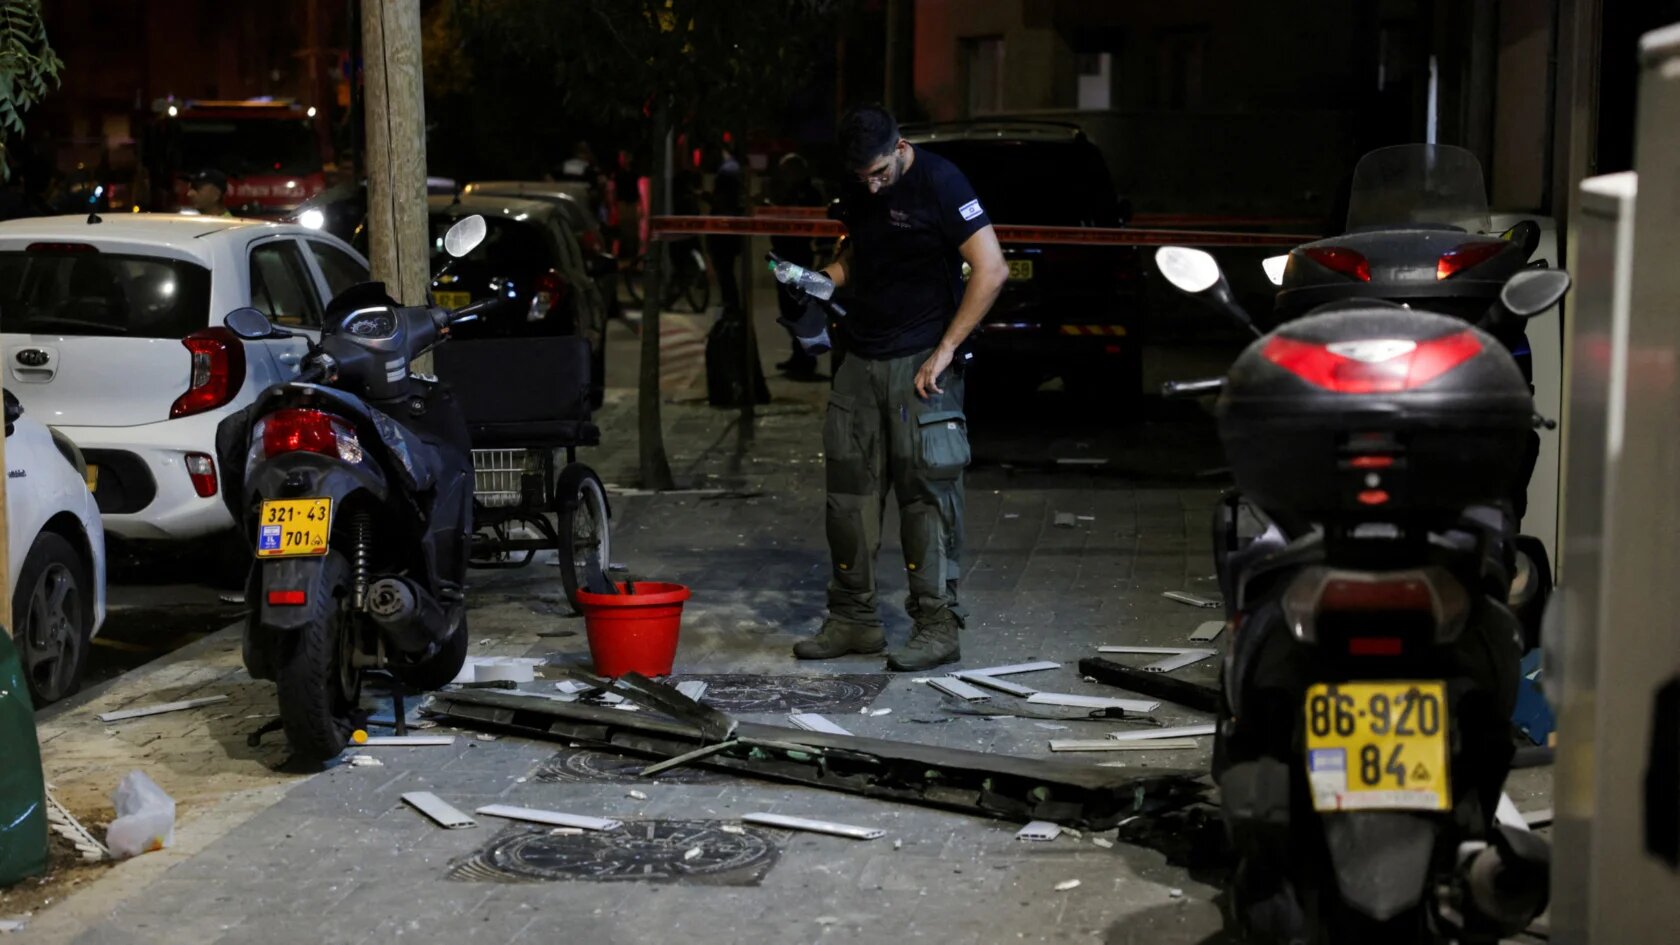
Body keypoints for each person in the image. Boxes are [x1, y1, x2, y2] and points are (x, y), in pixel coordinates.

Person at [791, 104, 1008, 672]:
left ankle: (937, 626)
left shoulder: (941, 180)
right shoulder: (857, 181)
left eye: (880, 173)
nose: (871, 184)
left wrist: (946, 350)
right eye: (861, 176)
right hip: (859, 358)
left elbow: (991, 269)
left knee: (925, 499)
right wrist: (819, 283)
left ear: (901, 146)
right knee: (849, 499)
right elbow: (859, 251)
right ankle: (853, 621)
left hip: (920, 364)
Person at [768, 152, 825, 378]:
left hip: (798, 258)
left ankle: (806, 360)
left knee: (799, 309)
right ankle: (798, 355)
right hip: (782, 258)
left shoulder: (807, 193)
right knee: (788, 309)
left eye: (787, 171)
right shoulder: (786, 191)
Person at [705, 142, 745, 313]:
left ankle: (731, 304)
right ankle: (730, 303)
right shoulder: (732, 169)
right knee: (725, 270)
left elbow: (722, 200)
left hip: (724, 232)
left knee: (725, 270)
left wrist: (710, 199)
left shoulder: (726, 171)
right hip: (728, 230)